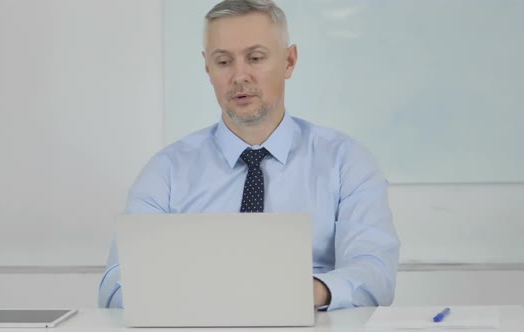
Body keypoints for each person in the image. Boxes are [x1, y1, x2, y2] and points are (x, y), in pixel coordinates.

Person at [98, 0, 399, 311]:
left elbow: (375, 274)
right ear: (207, 68)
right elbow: (115, 285)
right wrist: (204, 295)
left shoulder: (346, 162)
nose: (239, 76)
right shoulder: (166, 172)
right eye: (224, 62)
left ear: (289, 61)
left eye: (255, 58)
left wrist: (301, 292)